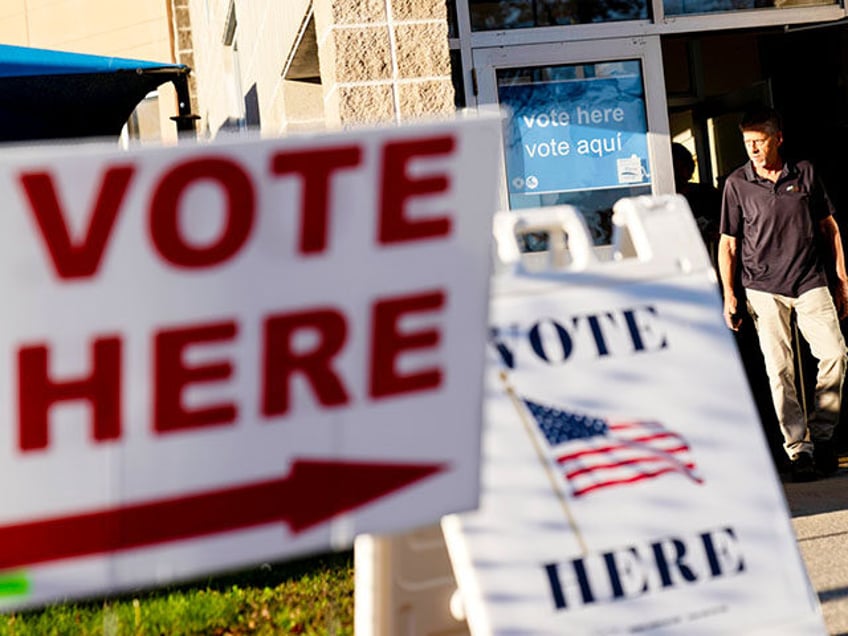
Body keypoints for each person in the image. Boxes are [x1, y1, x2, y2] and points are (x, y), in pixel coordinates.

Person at [718, 106, 848, 482]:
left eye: (759, 142)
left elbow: (830, 227)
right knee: (780, 371)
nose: (753, 150)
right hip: (761, 287)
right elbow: (728, 244)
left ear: (778, 139)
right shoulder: (737, 184)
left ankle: (823, 435)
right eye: (747, 143)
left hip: (810, 280)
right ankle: (798, 449)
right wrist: (730, 294)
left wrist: (841, 277)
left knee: (835, 355)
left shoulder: (804, 173)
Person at [672, 142, 722, 261]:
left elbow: (726, 230)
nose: (682, 174)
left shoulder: (707, 194)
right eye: (676, 169)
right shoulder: (660, 201)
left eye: (684, 168)